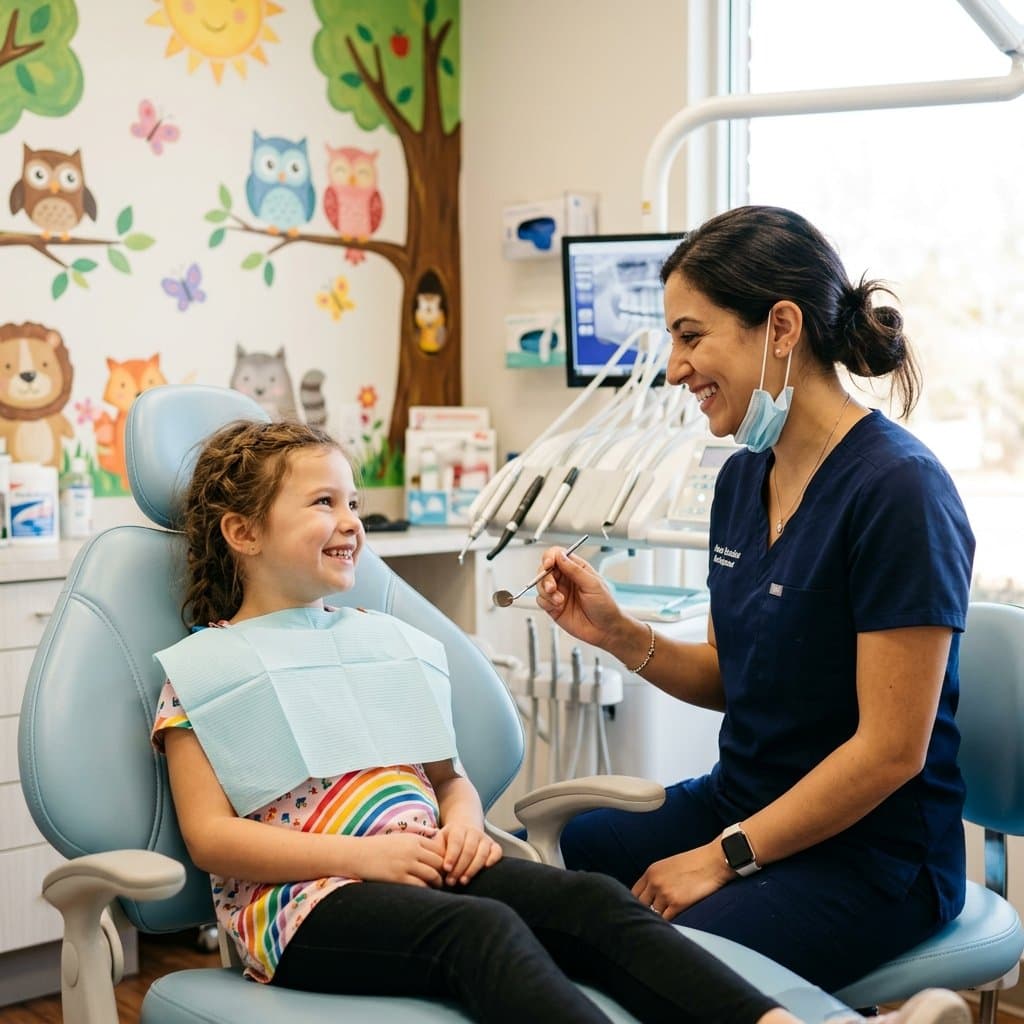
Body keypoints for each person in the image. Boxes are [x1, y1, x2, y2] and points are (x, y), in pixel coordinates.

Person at [150, 418, 968, 1024]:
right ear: (242, 532)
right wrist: (362, 858)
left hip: (427, 862)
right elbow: (213, 841)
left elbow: (446, 779)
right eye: (323, 502)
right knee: (483, 937)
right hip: (304, 902)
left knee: (593, 906)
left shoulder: (379, 643)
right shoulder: (205, 672)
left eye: (354, 500)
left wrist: (466, 824)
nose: (352, 519)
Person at [533, 205, 976, 996]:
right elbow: (730, 678)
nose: (673, 369)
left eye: (691, 335)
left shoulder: (899, 491)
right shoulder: (743, 478)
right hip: (745, 799)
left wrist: (721, 858)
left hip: (876, 855)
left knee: (676, 954)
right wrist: (616, 632)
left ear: (780, 327)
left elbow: (890, 753)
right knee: (587, 851)